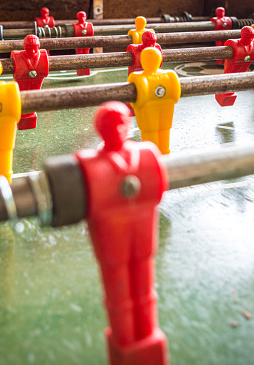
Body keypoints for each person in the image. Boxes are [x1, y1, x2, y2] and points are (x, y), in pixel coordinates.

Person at [75, 101, 169, 365]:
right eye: (110, 125)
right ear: (100, 130)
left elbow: (158, 189)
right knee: (119, 295)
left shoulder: (147, 154)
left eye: (121, 123)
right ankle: (125, 340)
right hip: (112, 242)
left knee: (145, 290)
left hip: (142, 237)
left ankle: (148, 333)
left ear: (129, 126)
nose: (117, 130)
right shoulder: (89, 164)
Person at [11, 35, 49, 129]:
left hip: (36, 80)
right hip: (22, 82)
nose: (32, 51)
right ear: (24, 47)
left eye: (35, 49)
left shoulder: (42, 56)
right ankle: (23, 115)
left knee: (34, 97)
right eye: (29, 49)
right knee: (22, 98)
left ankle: (30, 114)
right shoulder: (17, 56)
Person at [73, 11, 94, 76]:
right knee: (79, 57)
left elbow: (91, 34)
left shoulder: (89, 25)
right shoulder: (75, 26)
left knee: (87, 57)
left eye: (83, 17)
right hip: (79, 45)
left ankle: (86, 71)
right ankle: (80, 72)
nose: (82, 18)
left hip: (87, 44)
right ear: (77, 17)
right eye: (80, 17)